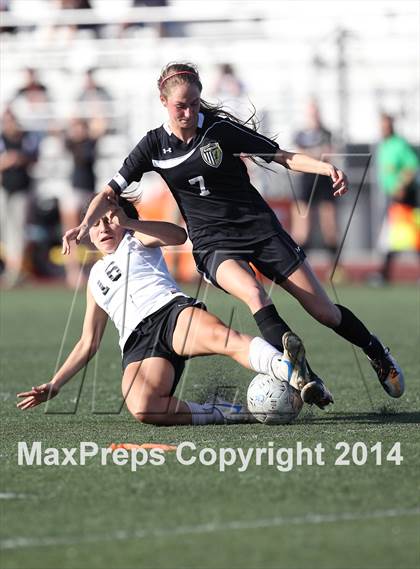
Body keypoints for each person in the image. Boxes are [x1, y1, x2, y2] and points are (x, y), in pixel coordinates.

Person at [62, 62, 405, 401]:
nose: (188, 112)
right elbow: (108, 193)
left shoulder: (218, 129)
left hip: (259, 228)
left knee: (324, 312)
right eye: (181, 105)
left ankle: (377, 352)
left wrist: (324, 167)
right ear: (163, 101)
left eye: (194, 104)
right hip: (213, 243)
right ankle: (304, 376)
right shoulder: (153, 146)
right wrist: (83, 225)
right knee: (254, 295)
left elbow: (280, 156)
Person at [16, 199, 327, 425]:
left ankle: (296, 375)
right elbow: (88, 342)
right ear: (86, 233)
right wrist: (55, 384)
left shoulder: (137, 240)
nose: (104, 227)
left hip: (170, 313)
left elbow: (179, 236)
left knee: (224, 338)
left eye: (110, 219)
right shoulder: (94, 278)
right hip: (138, 345)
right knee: (144, 408)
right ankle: (225, 413)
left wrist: (130, 223)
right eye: (96, 223)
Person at [291, 100, 340, 266]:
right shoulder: (300, 134)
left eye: (316, 112)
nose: (314, 116)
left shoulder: (326, 133)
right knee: (302, 229)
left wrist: (309, 155)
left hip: (324, 180)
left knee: (329, 227)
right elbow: (298, 155)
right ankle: (299, 266)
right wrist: (315, 155)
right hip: (306, 180)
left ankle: (335, 267)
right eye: (311, 112)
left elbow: (328, 154)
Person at [376, 113, 419, 282]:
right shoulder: (384, 145)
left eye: (385, 126)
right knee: (393, 237)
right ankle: (384, 273)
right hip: (393, 197)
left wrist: (401, 184)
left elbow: (412, 166)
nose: (382, 129)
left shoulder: (399, 144)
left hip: (406, 198)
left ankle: (383, 274)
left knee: (412, 236)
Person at [0, 109, 39, 287]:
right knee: (7, 231)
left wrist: (19, 158)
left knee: (18, 231)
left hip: (21, 189)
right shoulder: (2, 139)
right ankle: (10, 267)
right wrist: (7, 160)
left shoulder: (26, 138)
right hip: (5, 189)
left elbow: (33, 158)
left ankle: (15, 271)